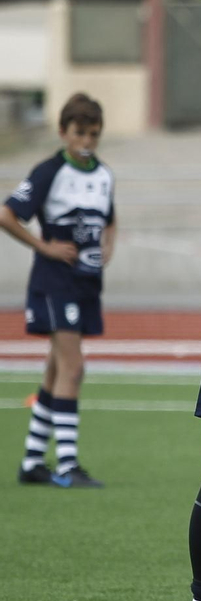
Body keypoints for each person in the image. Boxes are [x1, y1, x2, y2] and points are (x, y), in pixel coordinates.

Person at [2, 93, 115, 488]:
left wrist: (108, 249)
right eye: (80, 133)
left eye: (94, 134)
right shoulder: (49, 170)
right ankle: (67, 465)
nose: (87, 141)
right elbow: (7, 214)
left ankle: (33, 461)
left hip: (86, 283)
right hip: (55, 282)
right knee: (73, 366)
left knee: (55, 369)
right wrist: (45, 246)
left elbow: (111, 219)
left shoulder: (102, 175)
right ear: (64, 132)